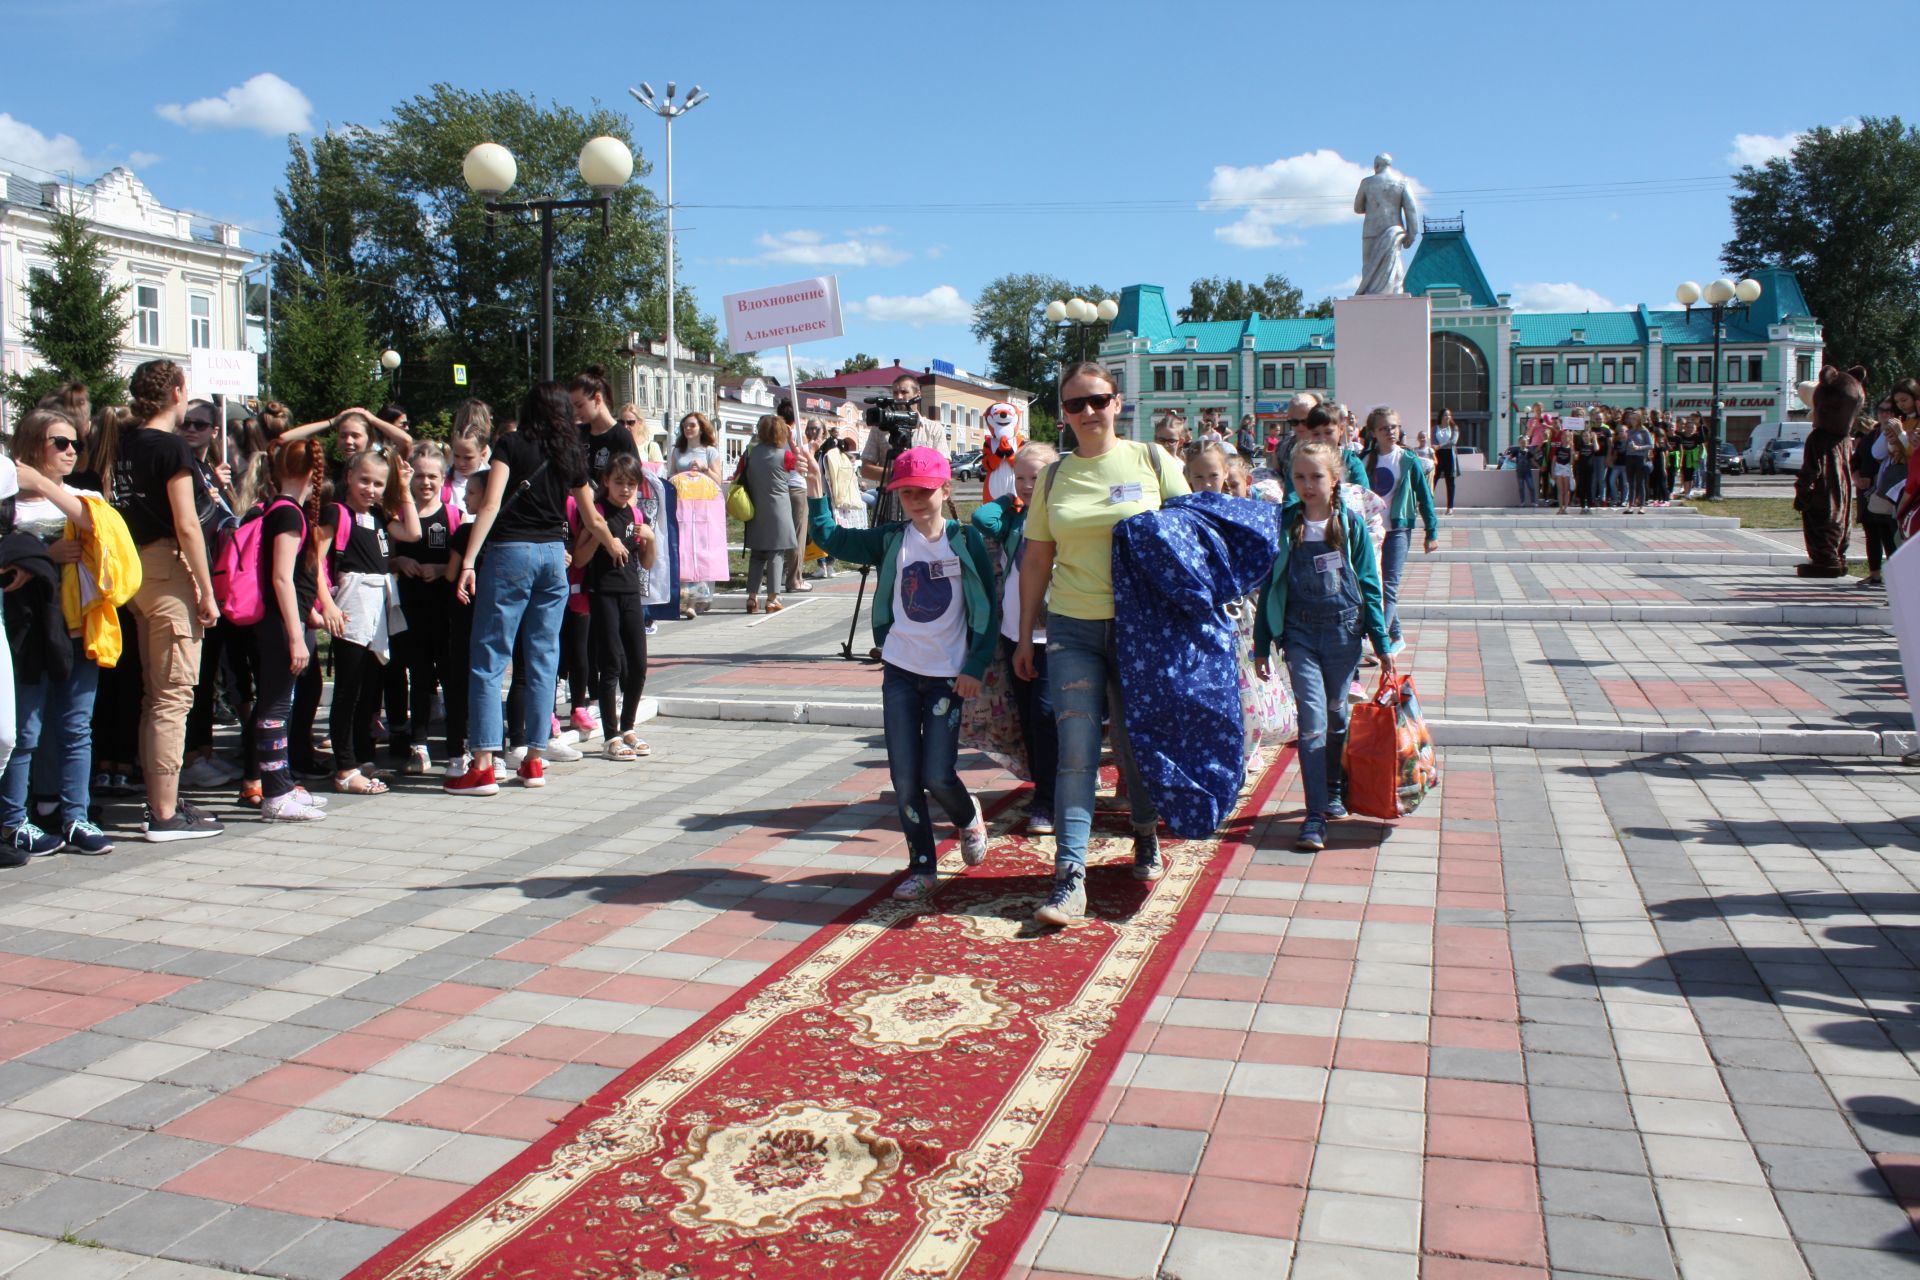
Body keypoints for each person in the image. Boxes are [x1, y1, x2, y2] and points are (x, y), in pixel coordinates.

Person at [1014, 362, 1191, 927]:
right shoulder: (1053, 477)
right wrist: (1024, 634)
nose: (1087, 413)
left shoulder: (1152, 460)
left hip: (1143, 631)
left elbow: (1193, 535)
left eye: (1097, 400)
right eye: (1074, 405)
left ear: (1118, 402)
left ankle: (1143, 832)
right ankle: (1069, 878)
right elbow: (1037, 558)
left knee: (1136, 746)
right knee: (1077, 751)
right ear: (1062, 414)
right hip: (1072, 627)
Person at [806, 446, 995, 898]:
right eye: (906, 491)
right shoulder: (891, 538)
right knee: (905, 777)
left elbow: (987, 610)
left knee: (936, 774)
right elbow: (832, 537)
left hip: (948, 678)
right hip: (901, 673)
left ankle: (968, 815)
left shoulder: (965, 541)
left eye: (924, 491)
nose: (914, 499)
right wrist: (816, 493)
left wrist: (974, 667)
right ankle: (923, 866)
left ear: (945, 489)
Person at [447, 383, 622, 796]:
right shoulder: (569, 453)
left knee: (490, 655)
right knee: (544, 657)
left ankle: (484, 765)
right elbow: (591, 515)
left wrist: (469, 560)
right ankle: (534, 760)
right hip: (551, 558)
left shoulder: (510, 443)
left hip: (510, 553)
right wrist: (610, 541)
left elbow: (490, 504)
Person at [1253, 442, 1394, 852]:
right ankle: (1314, 816)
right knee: (1312, 723)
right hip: (1299, 636)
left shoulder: (1349, 526)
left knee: (1337, 716)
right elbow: (1269, 587)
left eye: (1316, 476)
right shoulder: (1283, 524)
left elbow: (1369, 582)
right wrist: (1263, 644)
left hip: (1343, 634)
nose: (1308, 485)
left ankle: (1334, 787)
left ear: (1335, 479)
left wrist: (1381, 643)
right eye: (1299, 477)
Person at [111, 360, 223, 842]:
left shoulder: (124, 445)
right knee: (172, 695)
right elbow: (187, 524)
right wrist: (207, 589)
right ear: (177, 392)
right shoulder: (170, 446)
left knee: (154, 695)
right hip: (167, 569)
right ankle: (163, 814)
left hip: (134, 571)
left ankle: (165, 799)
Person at [1, 410, 113, 855]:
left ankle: (75, 816)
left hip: (77, 627)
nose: (70, 452)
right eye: (59, 443)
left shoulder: (81, 496)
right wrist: (43, 555)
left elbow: (97, 527)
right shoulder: (8, 503)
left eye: (74, 444)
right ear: (31, 446)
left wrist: (47, 485)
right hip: (26, 630)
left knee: (75, 727)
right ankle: (14, 820)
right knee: (23, 730)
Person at [972, 442, 1060, 835]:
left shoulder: (1063, 515)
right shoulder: (1013, 518)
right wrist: (1010, 498)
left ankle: (1050, 797)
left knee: (1046, 715)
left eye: (1035, 477)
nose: (1027, 485)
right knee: (1028, 715)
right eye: (1020, 477)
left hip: (1057, 630)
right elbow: (980, 516)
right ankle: (1047, 786)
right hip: (1015, 631)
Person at [248, 440, 337, 822]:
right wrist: (296, 634)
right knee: (274, 709)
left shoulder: (280, 510)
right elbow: (281, 578)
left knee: (278, 708)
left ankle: (280, 785)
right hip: (279, 625)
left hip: (281, 621)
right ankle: (275, 793)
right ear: (313, 474)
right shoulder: (288, 514)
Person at [322, 450, 420, 794]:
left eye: (378, 483)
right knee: (348, 690)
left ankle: (362, 757)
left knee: (368, 689)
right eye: (364, 480)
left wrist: (404, 488)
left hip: (377, 604)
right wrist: (327, 606)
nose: (371, 489)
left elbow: (413, 532)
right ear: (348, 477)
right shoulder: (337, 512)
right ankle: (345, 767)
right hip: (351, 602)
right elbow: (315, 559)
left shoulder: (378, 515)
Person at [576, 454, 657, 760]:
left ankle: (628, 727)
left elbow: (646, 563)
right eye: (619, 482)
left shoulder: (636, 515)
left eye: (631, 484)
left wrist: (651, 538)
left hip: (630, 593)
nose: (625, 489)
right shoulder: (596, 512)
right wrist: (603, 536)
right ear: (606, 481)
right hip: (603, 592)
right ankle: (610, 736)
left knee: (637, 665)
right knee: (610, 664)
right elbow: (581, 559)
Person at [388, 444, 459, 773]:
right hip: (408, 610)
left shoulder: (452, 514)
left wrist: (442, 569)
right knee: (416, 676)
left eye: (432, 476)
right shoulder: (399, 515)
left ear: (443, 478)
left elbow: (463, 561)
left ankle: (457, 743)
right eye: (419, 475)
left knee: (449, 674)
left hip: (444, 612)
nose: (425, 482)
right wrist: (400, 560)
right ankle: (418, 743)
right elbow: (380, 557)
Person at [1362, 408, 1438, 656]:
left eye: (1393, 427)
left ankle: (1378, 639)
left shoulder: (1408, 460)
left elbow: (1424, 497)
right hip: (1371, 533)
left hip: (1397, 530)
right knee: (1374, 586)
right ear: (1374, 432)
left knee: (1389, 587)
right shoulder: (1364, 460)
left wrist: (1431, 532)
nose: (1390, 432)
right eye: (1384, 428)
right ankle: (1397, 636)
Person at [859, 373, 946, 525]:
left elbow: (943, 469)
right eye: (895, 392)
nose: (899, 396)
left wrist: (911, 477)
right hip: (887, 511)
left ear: (917, 394)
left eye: (904, 392)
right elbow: (865, 470)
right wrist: (898, 475)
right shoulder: (880, 429)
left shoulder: (933, 429)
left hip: (923, 512)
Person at [668, 412, 726, 617]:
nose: (688, 428)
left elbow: (718, 481)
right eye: (685, 425)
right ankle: (686, 599)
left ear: (701, 428)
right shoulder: (677, 452)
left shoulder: (710, 452)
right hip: (682, 506)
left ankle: (699, 598)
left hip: (704, 506)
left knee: (702, 550)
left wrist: (704, 469)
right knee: (684, 550)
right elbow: (671, 477)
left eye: (692, 425)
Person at [741, 415, 798, 614]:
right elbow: (798, 466)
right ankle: (772, 598)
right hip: (779, 508)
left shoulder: (749, 453)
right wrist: (791, 441)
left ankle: (751, 598)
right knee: (776, 553)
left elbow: (740, 474)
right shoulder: (785, 455)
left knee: (756, 555)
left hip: (755, 507)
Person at [572, 366, 637, 482]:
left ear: (597, 399)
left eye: (579, 405)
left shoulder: (621, 437)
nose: (575, 412)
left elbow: (634, 481)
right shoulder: (577, 433)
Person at [780, 402, 813, 595]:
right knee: (797, 535)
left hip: (777, 487)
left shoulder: (772, 436)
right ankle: (794, 579)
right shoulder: (796, 435)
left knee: (780, 535)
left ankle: (781, 575)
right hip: (796, 487)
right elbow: (803, 459)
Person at [446, 402, 492, 513]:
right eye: (456, 456)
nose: (461, 463)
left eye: (468, 458)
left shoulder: (491, 481)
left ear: (483, 454)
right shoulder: (444, 482)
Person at [1621, 410, 1654, 513]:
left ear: (1639, 419)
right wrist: (1624, 440)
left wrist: (1638, 447)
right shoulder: (1629, 431)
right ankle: (1631, 505)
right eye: (1631, 419)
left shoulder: (1644, 431)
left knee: (1641, 482)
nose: (1632, 421)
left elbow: (1651, 445)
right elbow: (1624, 447)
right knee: (1631, 482)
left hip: (1640, 458)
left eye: (1634, 419)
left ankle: (1642, 506)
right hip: (1630, 457)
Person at [1432, 410, 1459, 514]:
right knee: (1433, 480)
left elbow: (1453, 442)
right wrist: (1437, 446)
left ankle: (1450, 507)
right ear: (1441, 416)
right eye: (1445, 415)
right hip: (1438, 455)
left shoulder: (1454, 428)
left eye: (1449, 415)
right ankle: (1429, 504)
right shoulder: (1435, 428)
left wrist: (1439, 446)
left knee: (1450, 482)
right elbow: (1433, 442)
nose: (1447, 417)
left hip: (1449, 456)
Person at [1549, 427, 1575, 515]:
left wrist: (1572, 452)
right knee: (1560, 490)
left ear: (1569, 438)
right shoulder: (1558, 449)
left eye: (1566, 436)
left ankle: (1566, 508)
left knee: (1566, 490)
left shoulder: (1571, 449)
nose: (1564, 438)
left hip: (1567, 469)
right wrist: (1552, 472)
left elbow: (1571, 463)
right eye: (1563, 436)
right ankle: (1560, 508)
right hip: (1559, 469)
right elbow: (1553, 461)